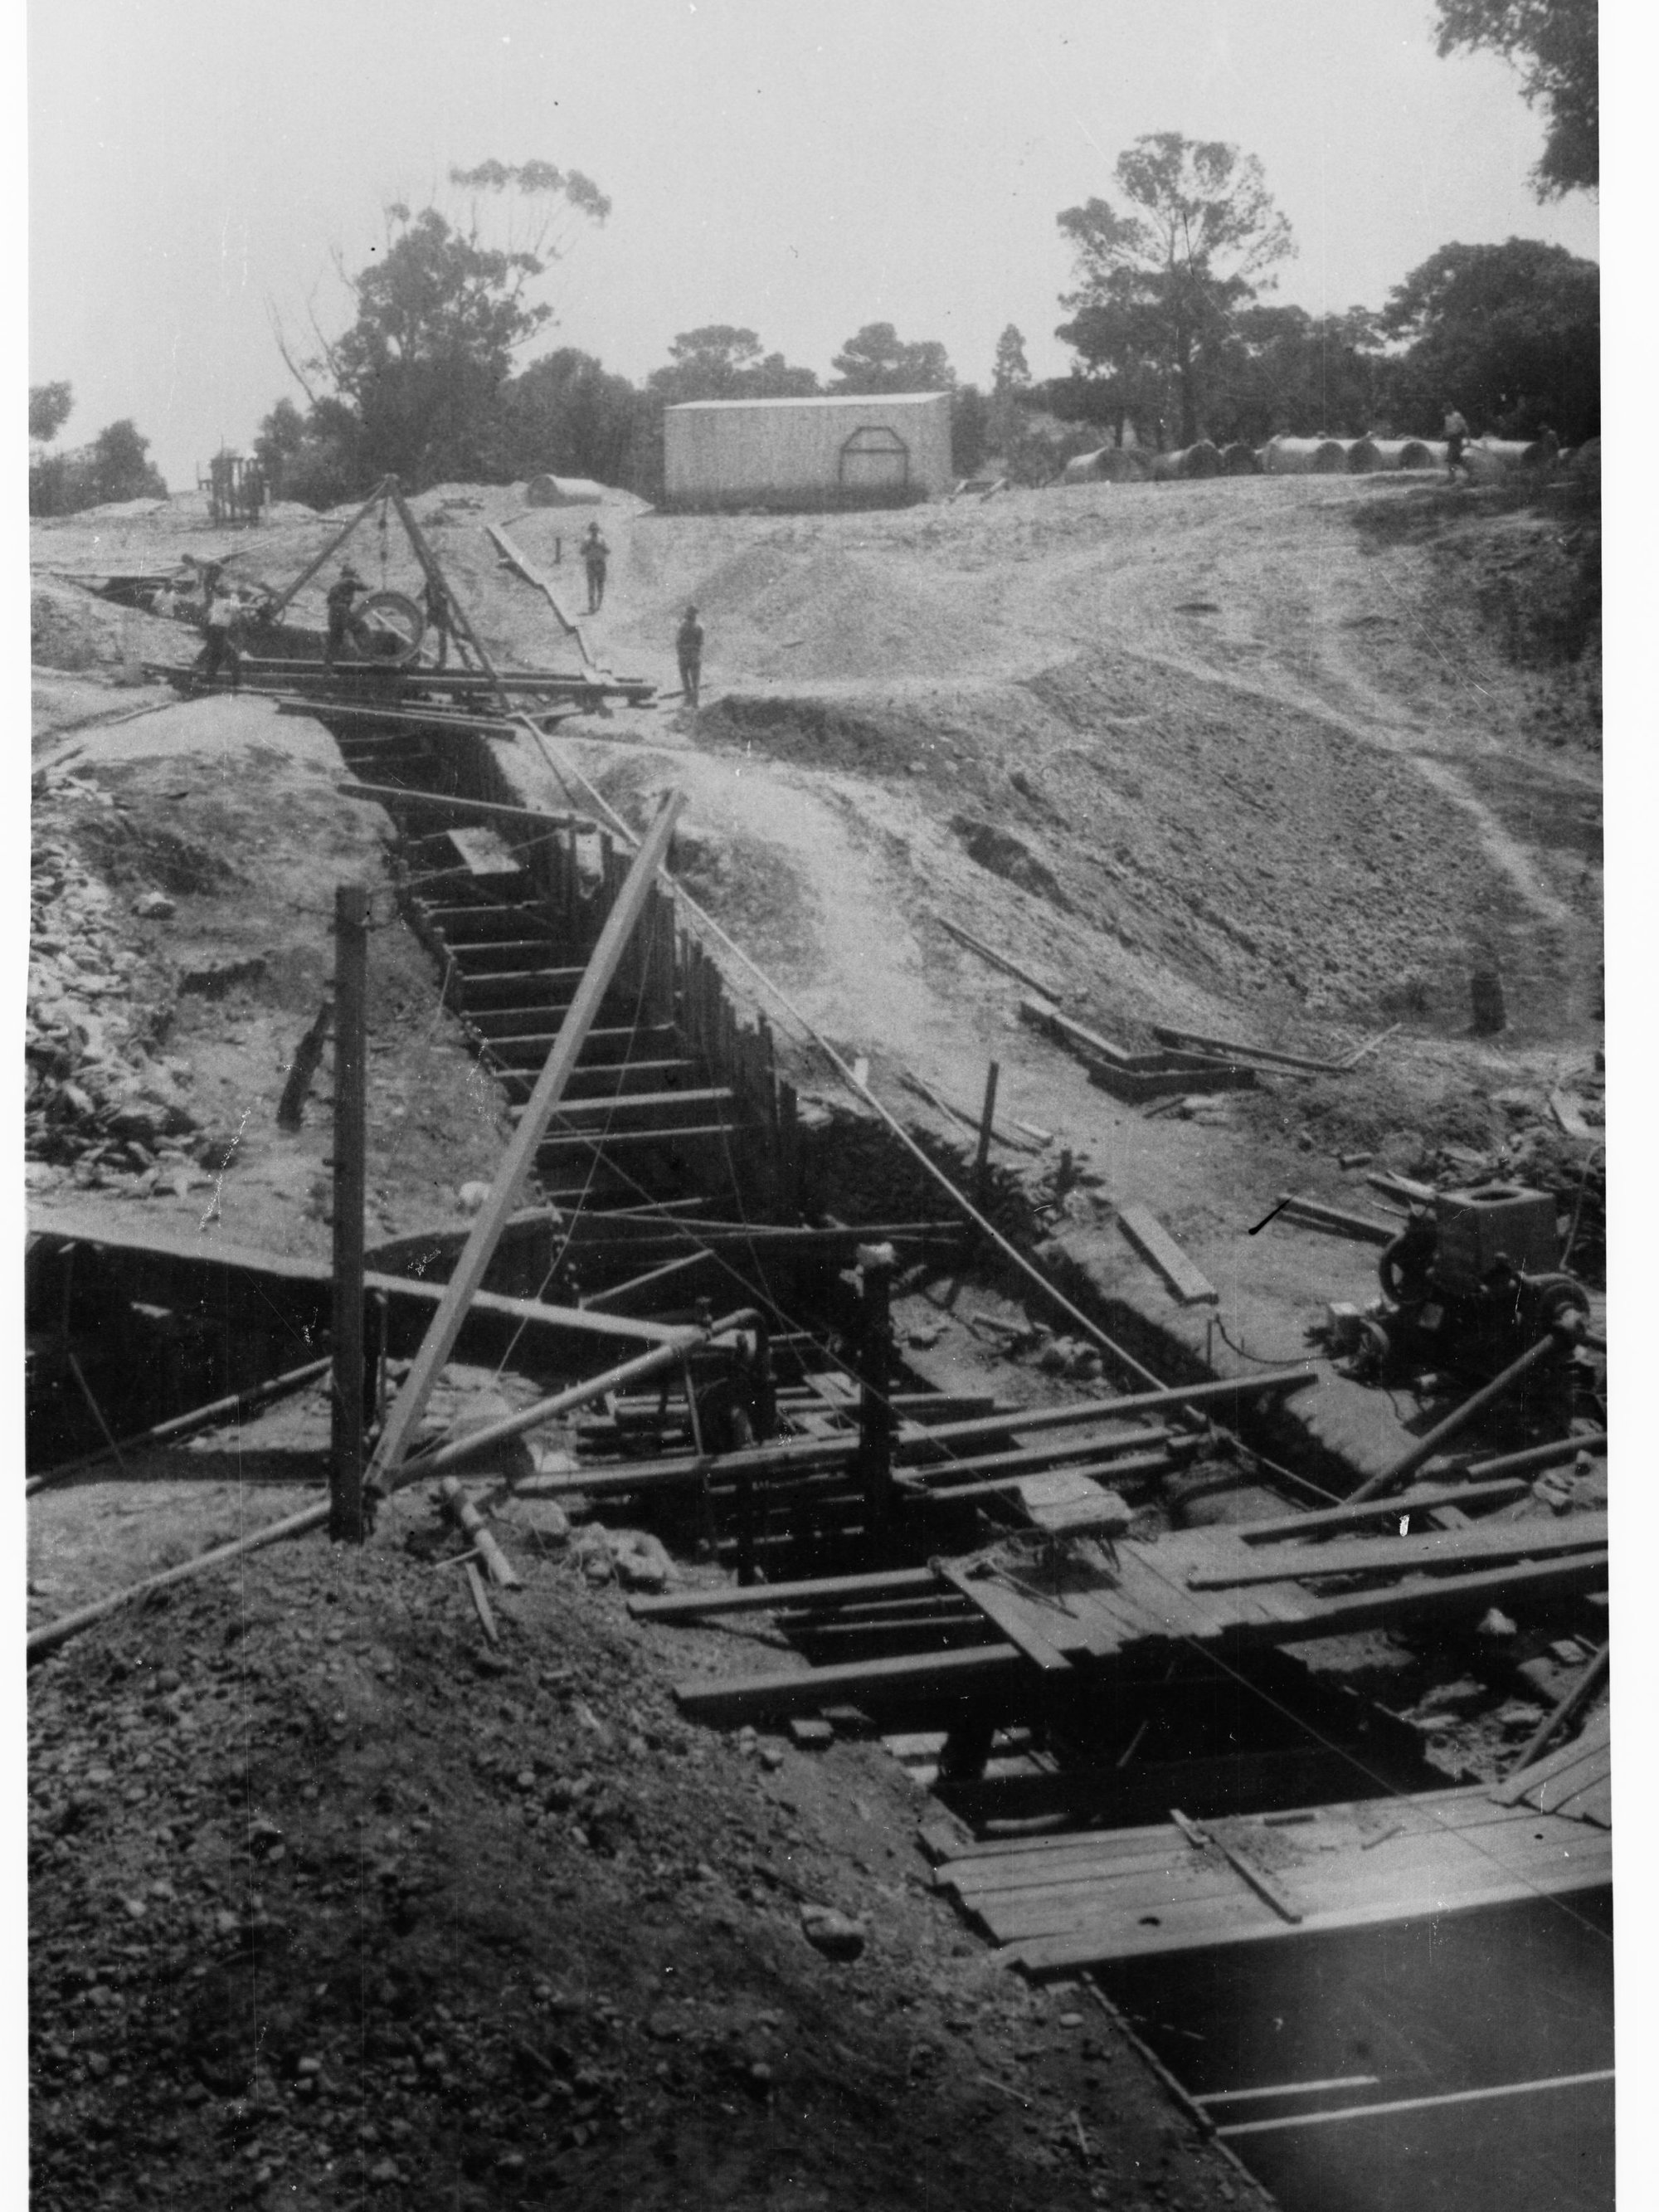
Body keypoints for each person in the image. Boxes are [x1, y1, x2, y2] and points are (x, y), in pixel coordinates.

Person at [198, 584, 243, 691]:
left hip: (213, 630)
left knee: (216, 656)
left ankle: (210, 678)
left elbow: (207, 617)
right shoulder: (230, 603)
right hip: (220, 630)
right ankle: (237, 680)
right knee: (230, 654)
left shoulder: (217, 602)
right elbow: (236, 615)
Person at [324, 564, 366, 665]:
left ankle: (328, 666)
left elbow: (329, 600)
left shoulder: (337, 584)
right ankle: (365, 654)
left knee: (335, 640)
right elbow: (364, 587)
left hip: (333, 614)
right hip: (342, 611)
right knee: (361, 628)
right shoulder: (350, 581)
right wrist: (359, 578)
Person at [676, 604, 704, 709]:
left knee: (685, 679)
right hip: (695, 656)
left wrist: (680, 654)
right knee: (695, 681)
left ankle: (688, 700)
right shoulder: (699, 627)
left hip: (684, 656)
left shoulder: (682, 626)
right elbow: (701, 643)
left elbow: (678, 643)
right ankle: (695, 702)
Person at [580, 522, 610, 614]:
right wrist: (588, 546)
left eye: (595, 530)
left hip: (600, 563)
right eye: (592, 530)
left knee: (600, 585)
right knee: (591, 585)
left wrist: (601, 546)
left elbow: (608, 551)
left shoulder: (602, 539)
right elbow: (581, 552)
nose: (594, 532)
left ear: (598, 530)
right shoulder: (586, 540)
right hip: (591, 564)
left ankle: (598, 604)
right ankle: (592, 605)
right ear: (590, 531)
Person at [1442, 404, 1472, 485]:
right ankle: (1470, 473)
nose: (1445, 413)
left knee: (1451, 459)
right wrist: (1444, 435)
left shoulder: (1457, 416)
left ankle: (1452, 478)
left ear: (1451, 410)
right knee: (1457, 460)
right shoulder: (1447, 417)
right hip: (1451, 439)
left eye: (1447, 411)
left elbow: (1464, 427)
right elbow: (1447, 428)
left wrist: (1468, 439)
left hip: (1457, 439)